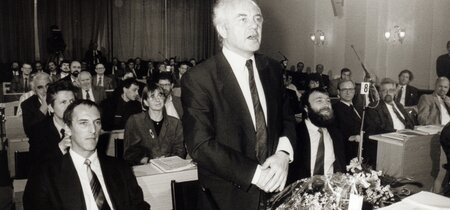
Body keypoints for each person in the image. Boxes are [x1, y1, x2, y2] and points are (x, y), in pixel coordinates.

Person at [181, 0, 296, 209]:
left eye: (257, 19)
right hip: (226, 199)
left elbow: (287, 118)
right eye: (243, 19)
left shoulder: (272, 68)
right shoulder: (199, 77)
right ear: (223, 29)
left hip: (276, 194)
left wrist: (283, 154)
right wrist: (256, 174)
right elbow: (200, 144)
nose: (254, 26)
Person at [23, 100, 150, 210]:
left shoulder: (120, 167)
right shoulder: (45, 174)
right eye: (84, 123)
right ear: (68, 129)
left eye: (97, 122)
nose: (93, 130)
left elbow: (139, 206)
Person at [288, 88, 346, 181]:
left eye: (328, 101)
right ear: (306, 108)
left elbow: (341, 167)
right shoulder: (294, 134)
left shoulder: (336, 133)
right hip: (300, 191)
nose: (326, 105)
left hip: (332, 190)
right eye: (319, 101)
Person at [124, 83, 185, 165]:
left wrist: (166, 162)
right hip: (144, 170)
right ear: (145, 102)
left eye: (160, 96)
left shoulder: (175, 123)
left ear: (164, 99)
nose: (157, 100)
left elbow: (180, 152)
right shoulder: (135, 121)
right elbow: (129, 154)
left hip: (170, 169)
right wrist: (150, 161)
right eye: (152, 97)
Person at [26, 80, 76, 173]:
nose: (70, 106)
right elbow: (36, 166)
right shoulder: (38, 131)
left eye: (72, 101)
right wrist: (61, 147)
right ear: (51, 108)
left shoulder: (83, 126)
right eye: (63, 102)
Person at [365, 78, 414, 166]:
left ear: (395, 92)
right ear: (380, 93)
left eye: (391, 90)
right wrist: (398, 133)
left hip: (407, 140)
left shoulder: (399, 105)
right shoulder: (374, 107)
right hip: (389, 142)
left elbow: (410, 123)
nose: (388, 93)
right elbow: (377, 129)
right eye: (384, 90)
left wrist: (409, 132)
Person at [332, 80, 362, 163]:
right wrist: (350, 137)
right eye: (344, 89)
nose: (348, 92)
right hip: (347, 150)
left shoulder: (358, 107)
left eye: (351, 89)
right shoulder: (335, 108)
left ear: (354, 91)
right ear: (338, 92)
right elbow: (336, 131)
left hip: (360, 147)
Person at [21, 73, 51, 137]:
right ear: (34, 90)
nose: (45, 90)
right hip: (40, 143)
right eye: (40, 87)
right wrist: (44, 107)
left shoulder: (59, 99)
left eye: (48, 85)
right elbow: (29, 132)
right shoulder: (27, 104)